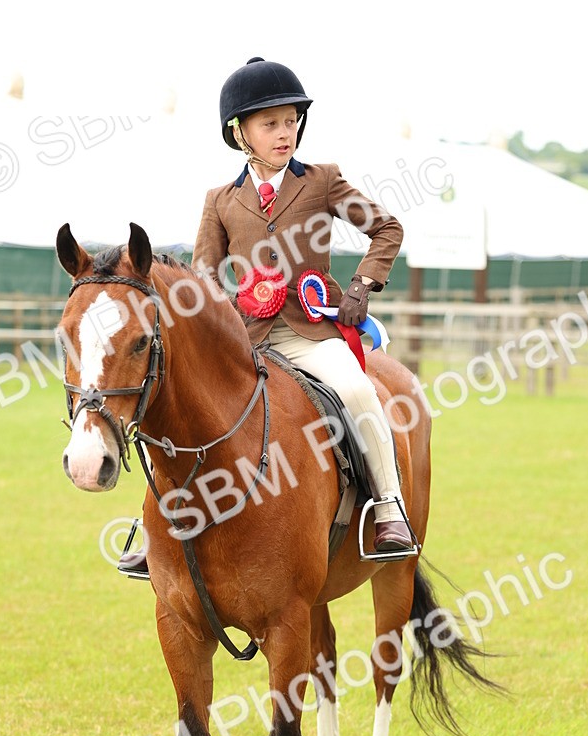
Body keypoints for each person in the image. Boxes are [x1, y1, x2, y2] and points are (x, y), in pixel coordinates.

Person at [119, 56, 416, 577]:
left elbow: (387, 229)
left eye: (291, 121)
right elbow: (205, 280)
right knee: (179, 407)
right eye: (271, 123)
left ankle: (388, 509)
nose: (286, 133)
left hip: (308, 331)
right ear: (240, 133)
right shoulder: (220, 200)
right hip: (243, 338)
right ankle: (153, 527)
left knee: (357, 391)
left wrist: (362, 285)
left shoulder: (323, 181)